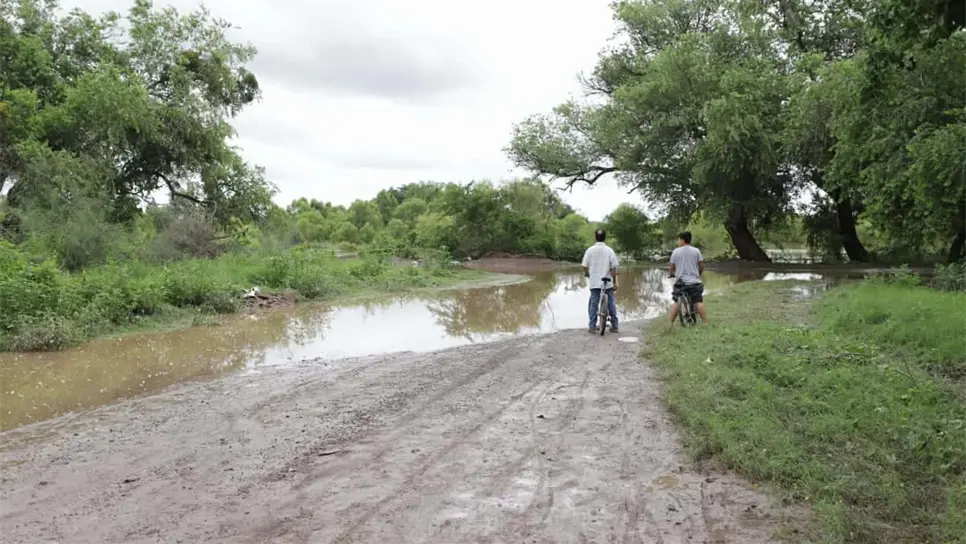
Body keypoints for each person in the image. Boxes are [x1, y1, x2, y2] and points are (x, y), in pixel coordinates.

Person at [582, 229, 619, 333]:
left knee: (593, 303)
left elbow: (584, 265)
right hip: (607, 282)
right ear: (605, 237)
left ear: (595, 237)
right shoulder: (609, 250)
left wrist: (587, 273)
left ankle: (592, 326)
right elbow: (613, 268)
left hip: (594, 282)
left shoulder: (590, 250)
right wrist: (615, 281)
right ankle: (615, 326)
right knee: (611, 303)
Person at [669, 231, 707, 323]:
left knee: (676, 302)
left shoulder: (676, 251)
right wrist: (698, 274)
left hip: (680, 283)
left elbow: (671, 267)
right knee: (698, 301)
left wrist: (671, 274)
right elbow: (701, 266)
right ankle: (706, 322)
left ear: (682, 240)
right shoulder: (696, 251)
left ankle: (670, 324)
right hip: (695, 282)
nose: (678, 242)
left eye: (679, 239)